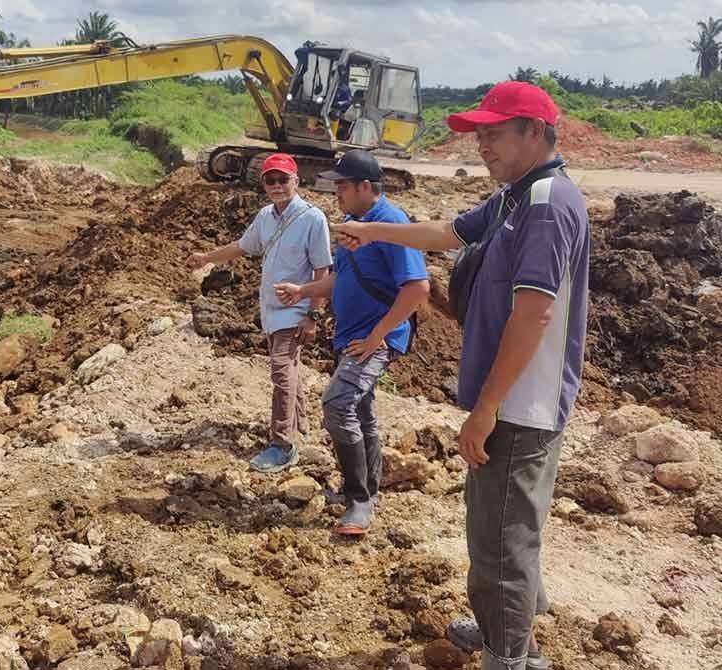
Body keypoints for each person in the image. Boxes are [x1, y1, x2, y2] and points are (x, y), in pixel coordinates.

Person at [331, 82, 590, 670]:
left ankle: (509, 657)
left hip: (521, 405)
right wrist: (372, 230)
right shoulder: (513, 198)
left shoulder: (547, 202)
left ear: (535, 131)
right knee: (501, 528)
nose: (482, 146)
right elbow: (446, 235)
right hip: (510, 401)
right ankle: (509, 629)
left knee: (502, 541)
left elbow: (535, 313)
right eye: (478, 135)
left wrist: (487, 407)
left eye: (494, 134)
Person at [274, 149, 429, 536]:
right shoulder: (352, 223)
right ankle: (366, 491)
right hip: (352, 335)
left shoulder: (392, 224)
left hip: (374, 338)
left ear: (364, 186)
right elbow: (341, 277)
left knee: (338, 403)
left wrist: (378, 336)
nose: (336, 192)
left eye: (342, 185)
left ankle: (358, 498)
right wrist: (304, 290)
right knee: (360, 411)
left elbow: (416, 288)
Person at [186, 154, 332, 473]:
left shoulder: (313, 219)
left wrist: (313, 315)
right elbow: (242, 246)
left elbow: (323, 269)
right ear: (264, 184)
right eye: (271, 180)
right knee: (288, 367)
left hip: (295, 309)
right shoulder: (266, 216)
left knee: (281, 371)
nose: (277, 186)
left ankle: (283, 444)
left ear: (297, 181)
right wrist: (206, 258)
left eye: (283, 179)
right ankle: (301, 423)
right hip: (270, 309)